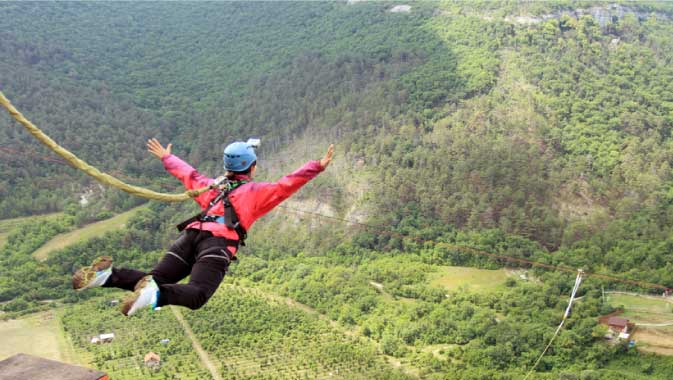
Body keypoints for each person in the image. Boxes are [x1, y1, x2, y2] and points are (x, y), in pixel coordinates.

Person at [72, 138, 334, 316]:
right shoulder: (256, 192)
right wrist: (317, 167)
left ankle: (104, 276)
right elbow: (285, 185)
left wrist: (168, 157)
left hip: (189, 237)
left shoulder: (213, 187)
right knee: (196, 296)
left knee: (156, 278)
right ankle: (155, 295)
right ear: (252, 167)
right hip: (217, 244)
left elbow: (190, 175)